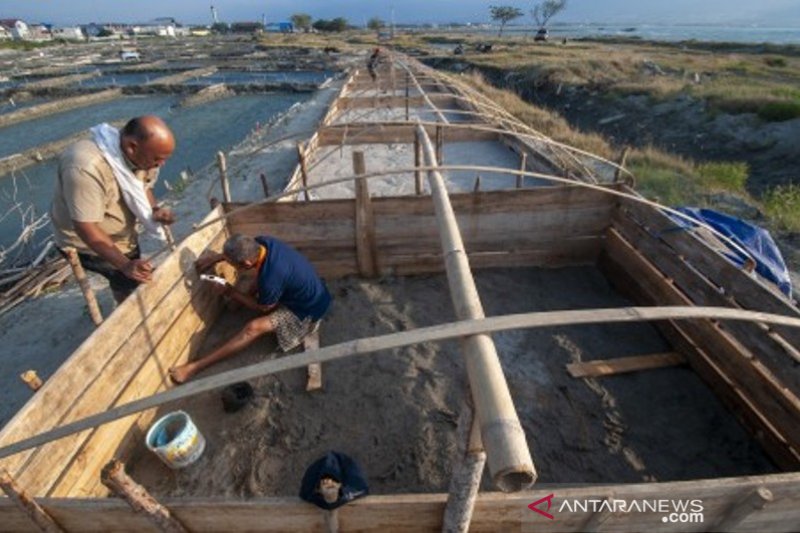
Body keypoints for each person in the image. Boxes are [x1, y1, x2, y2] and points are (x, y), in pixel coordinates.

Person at [168, 233, 332, 384]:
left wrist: (230, 291)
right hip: (313, 289)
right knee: (257, 280)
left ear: (246, 263)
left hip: (308, 311)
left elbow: (263, 308)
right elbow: (250, 263)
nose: (229, 264)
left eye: (231, 264)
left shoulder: (271, 278)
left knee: (253, 327)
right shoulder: (263, 243)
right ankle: (239, 300)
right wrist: (216, 258)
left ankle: (194, 367)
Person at [50, 116, 176, 303]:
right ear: (131, 146)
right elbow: (86, 227)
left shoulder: (143, 155)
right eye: (157, 159)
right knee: (129, 282)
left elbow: (143, 185)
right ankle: (127, 306)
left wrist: (155, 208)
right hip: (86, 242)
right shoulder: (85, 167)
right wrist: (124, 265)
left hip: (123, 235)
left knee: (131, 274)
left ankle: (124, 290)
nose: (160, 165)